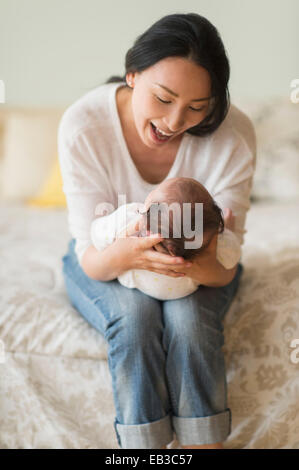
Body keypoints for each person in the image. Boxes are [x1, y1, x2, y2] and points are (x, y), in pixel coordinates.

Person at [58, 12, 256, 449]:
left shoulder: (233, 135)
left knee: (188, 321)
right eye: (163, 99)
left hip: (204, 260)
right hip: (104, 254)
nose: (174, 121)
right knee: (133, 319)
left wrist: (199, 265)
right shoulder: (83, 125)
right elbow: (91, 255)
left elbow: (226, 263)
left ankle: (203, 445)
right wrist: (128, 256)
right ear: (132, 74)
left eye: (197, 108)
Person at [90, 176, 242, 300]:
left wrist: (114, 232)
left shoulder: (129, 221)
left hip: (137, 287)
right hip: (182, 293)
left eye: (155, 191)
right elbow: (232, 255)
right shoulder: (209, 246)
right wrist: (227, 231)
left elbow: (96, 233)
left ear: (148, 229)